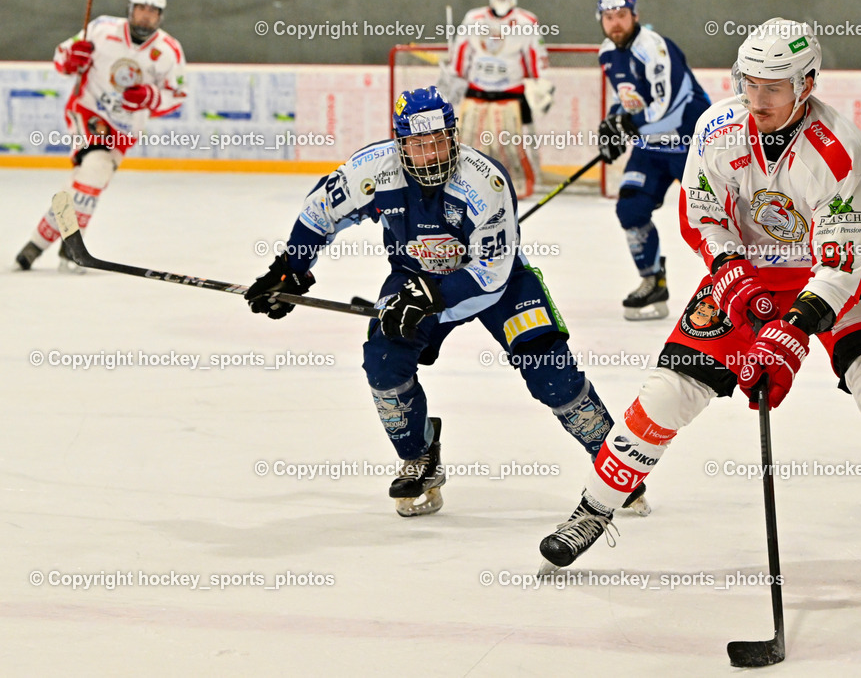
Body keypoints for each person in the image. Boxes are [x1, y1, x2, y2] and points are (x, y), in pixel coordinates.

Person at [538, 19, 861, 602]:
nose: (757, 99)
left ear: (806, 85)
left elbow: (843, 261)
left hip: (837, 278)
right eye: (749, 82)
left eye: (773, 87)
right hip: (748, 271)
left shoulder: (840, 152)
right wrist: (731, 273)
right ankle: (594, 509)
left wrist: (792, 331)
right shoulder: (718, 128)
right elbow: (702, 211)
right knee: (666, 393)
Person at [244, 86, 647, 518]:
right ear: (401, 145)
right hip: (414, 275)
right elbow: (319, 212)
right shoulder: (372, 170)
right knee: (383, 361)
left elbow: (492, 271)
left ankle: (616, 468)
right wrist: (291, 269)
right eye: (418, 144)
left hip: (495, 283)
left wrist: (431, 297)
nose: (432, 154)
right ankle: (420, 455)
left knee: (551, 372)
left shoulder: (485, 181)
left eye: (439, 140)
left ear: (454, 136)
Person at [14, 0, 186, 273]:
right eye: (140, 8)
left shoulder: (169, 50)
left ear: (161, 15)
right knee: (94, 169)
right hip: (89, 112)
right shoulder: (101, 29)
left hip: (126, 128)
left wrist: (149, 96)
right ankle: (71, 249)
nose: (145, 15)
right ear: (130, 9)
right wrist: (72, 58)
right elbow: (62, 58)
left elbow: (177, 94)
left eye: (152, 10)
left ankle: (35, 244)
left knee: (87, 186)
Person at [595, 0, 711, 320]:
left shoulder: (653, 46)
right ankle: (653, 280)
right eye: (609, 16)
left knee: (712, 219)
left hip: (691, 144)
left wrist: (628, 124)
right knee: (630, 208)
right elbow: (629, 101)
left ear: (635, 15)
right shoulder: (606, 53)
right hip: (651, 146)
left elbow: (670, 105)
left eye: (621, 14)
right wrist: (612, 125)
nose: (615, 22)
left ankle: (735, 284)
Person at [444, 0, 553, 197]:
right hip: (476, 94)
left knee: (514, 150)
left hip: (512, 97)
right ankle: (467, 184)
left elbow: (538, 58)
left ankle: (522, 185)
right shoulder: (473, 18)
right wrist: (453, 78)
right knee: (467, 146)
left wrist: (542, 87)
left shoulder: (526, 21)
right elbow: (460, 58)